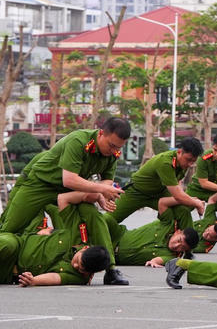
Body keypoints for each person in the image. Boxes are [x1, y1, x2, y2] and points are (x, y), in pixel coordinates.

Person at [0, 117, 132, 285]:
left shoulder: (112, 154)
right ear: (100, 134)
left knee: (93, 215)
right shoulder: (78, 141)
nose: (114, 151)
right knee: (11, 226)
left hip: (68, 192)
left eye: (119, 148)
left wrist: (102, 195)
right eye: (112, 146)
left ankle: (111, 269)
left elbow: (106, 180)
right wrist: (101, 190)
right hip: (41, 184)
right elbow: (68, 179)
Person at [0, 203, 113, 286]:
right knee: (8, 244)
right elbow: (62, 201)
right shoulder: (77, 236)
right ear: (85, 249)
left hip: (9, 271)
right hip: (18, 245)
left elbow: (56, 277)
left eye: (82, 269)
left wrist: (34, 280)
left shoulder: (79, 277)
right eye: (79, 262)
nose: (75, 266)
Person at [108, 137, 206, 225]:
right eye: (188, 160)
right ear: (180, 152)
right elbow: (178, 196)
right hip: (136, 192)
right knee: (109, 219)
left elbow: (177, 184)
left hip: (160, 192)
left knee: (182, 210)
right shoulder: (165, 162)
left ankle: (182, 241)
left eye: (193, 161)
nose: (190, 164)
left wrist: (191, 200)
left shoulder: (183, 163)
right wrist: (195, 202)